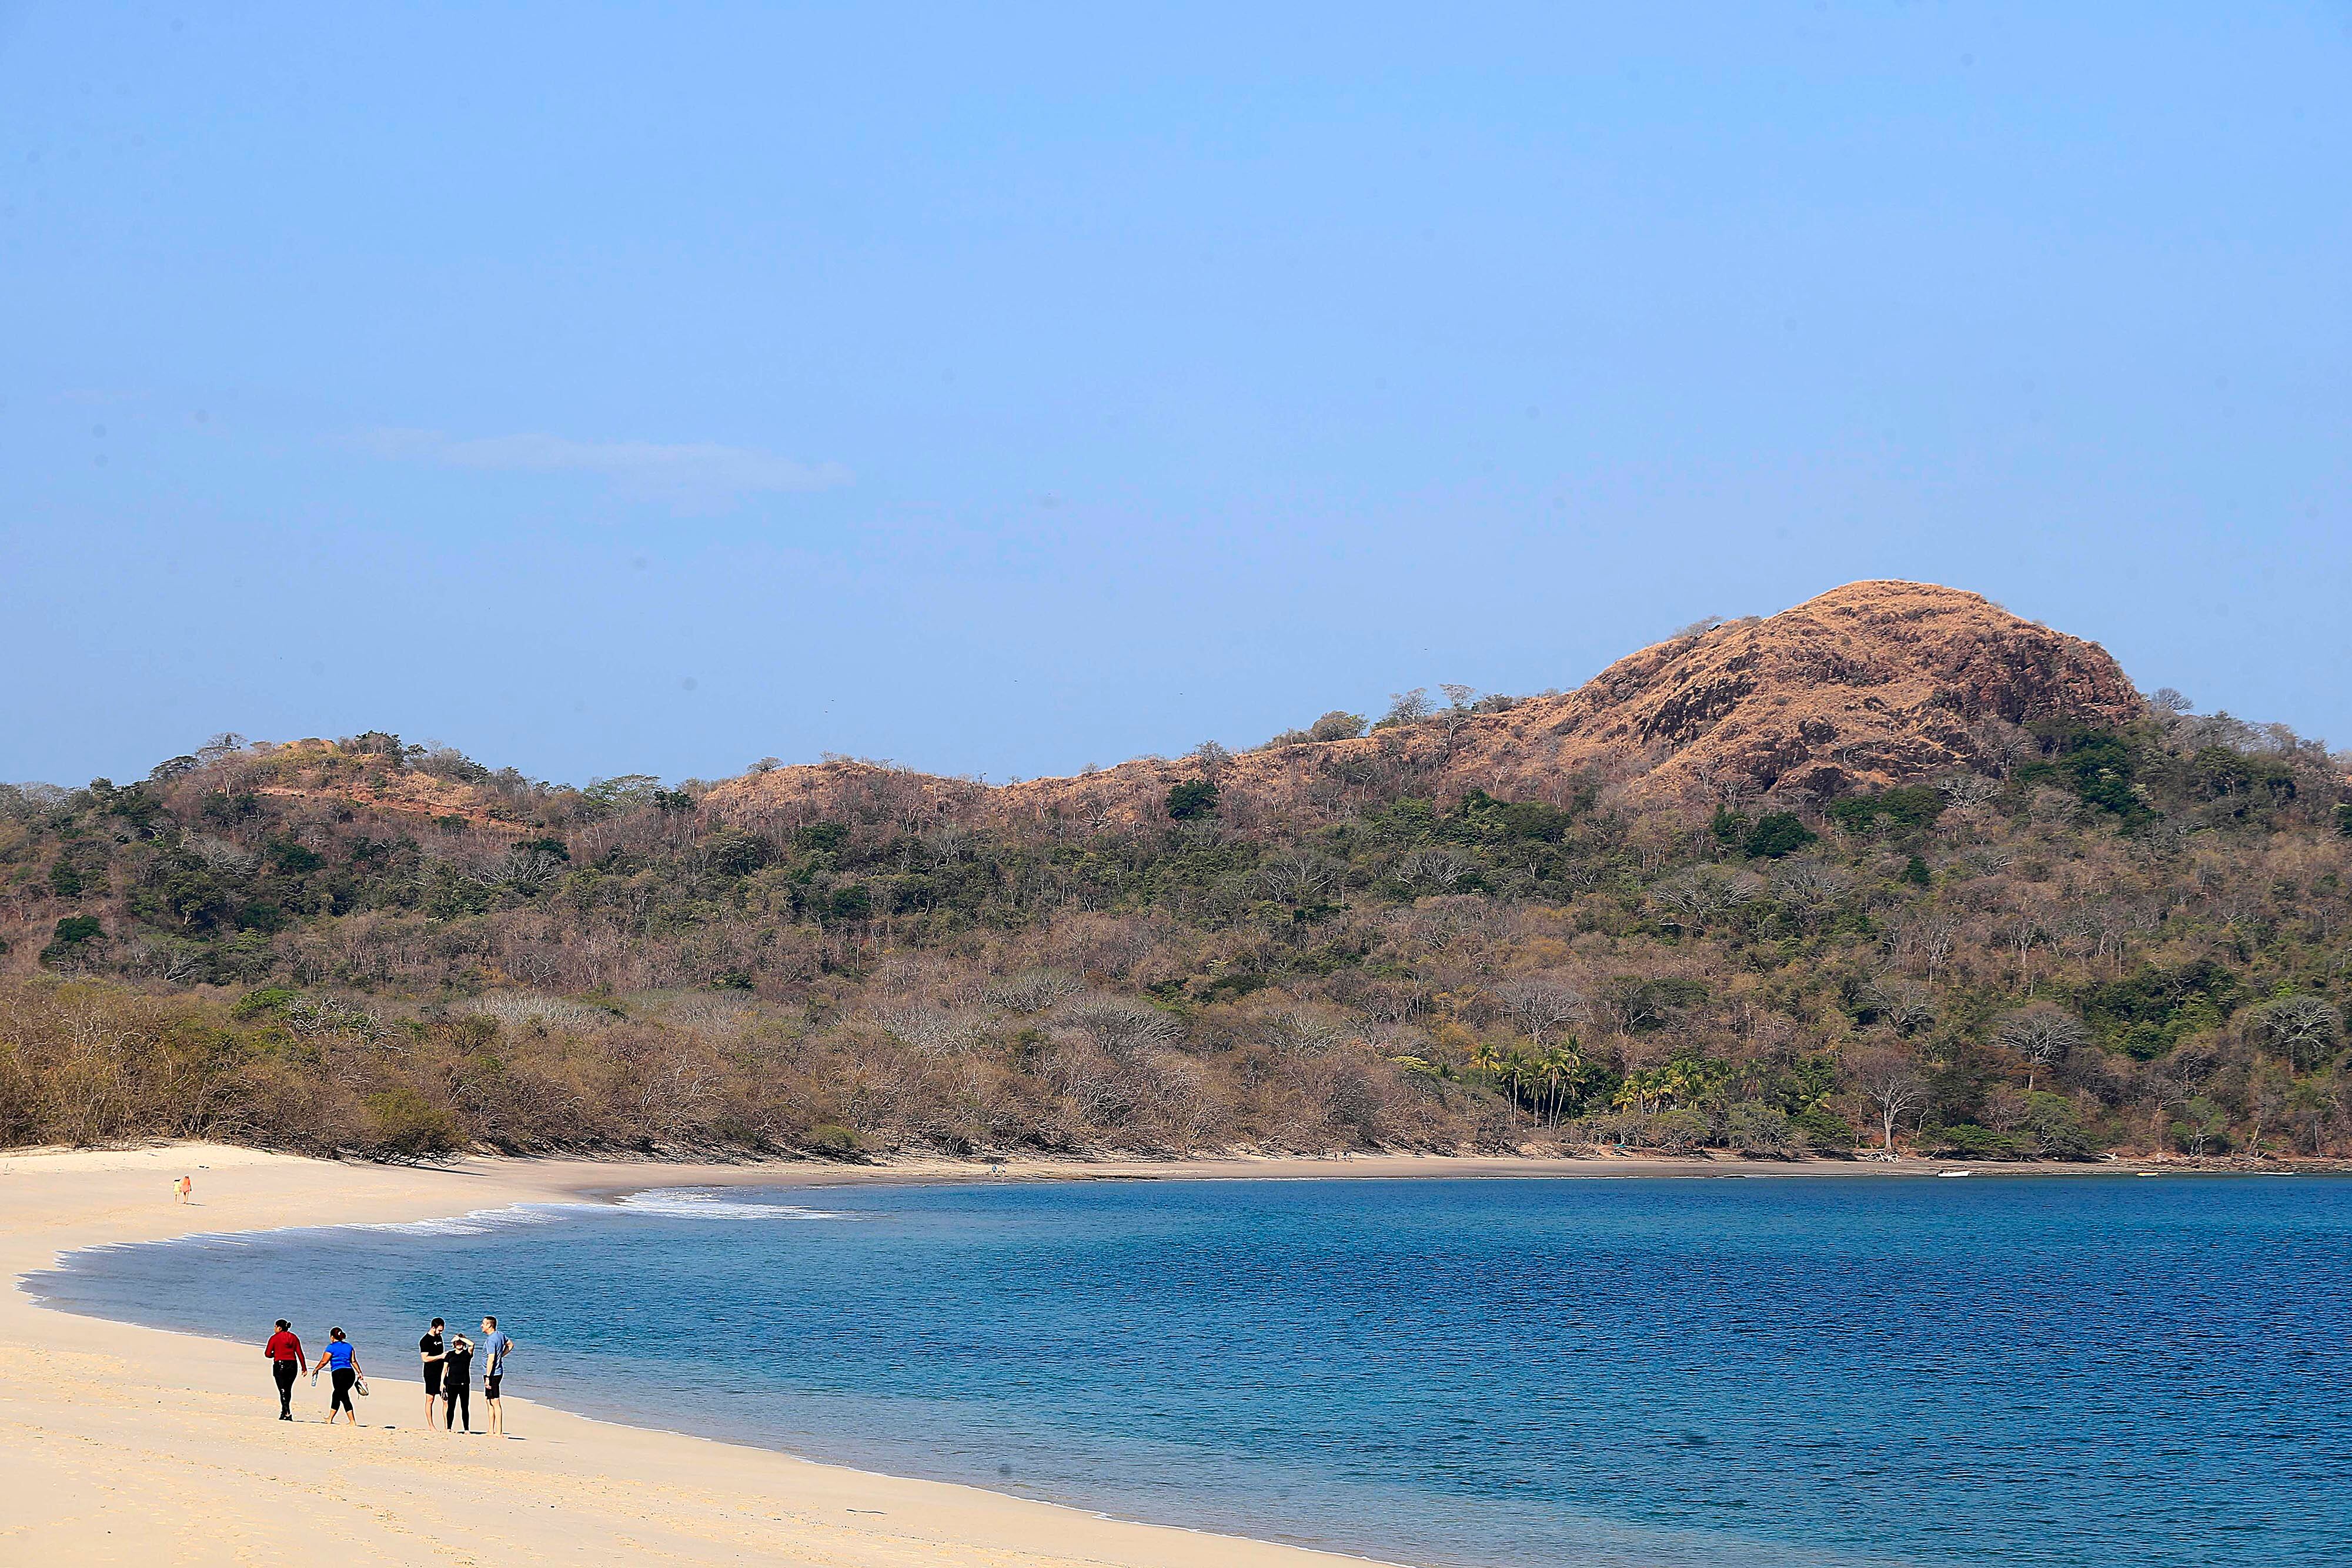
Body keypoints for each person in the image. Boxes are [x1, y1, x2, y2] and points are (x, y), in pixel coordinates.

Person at [310, 1328, 365, 1424]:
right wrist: (360, 1373)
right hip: (350, 1374)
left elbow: (324, 1361)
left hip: (339, 1373)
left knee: (340, 1395)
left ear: (332, 1337)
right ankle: (332, 1419)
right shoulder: (349, 1347)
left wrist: (316, 1369)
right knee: (340, 1394)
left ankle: (350, 1421)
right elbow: (353, 1361)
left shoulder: (331, 1347)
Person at [479, 1316, 516, 1437]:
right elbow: (510, 1345)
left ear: (490, 1325)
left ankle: (499, 1432)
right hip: (493, 1373)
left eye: (483, 1323)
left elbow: (491, 1359)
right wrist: (502, 1355)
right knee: (488, 1400)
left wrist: (488, 1377)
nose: (481, 1326)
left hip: (493, 1374)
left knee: (495, 1401)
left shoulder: (492, 1339)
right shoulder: (500, 1335)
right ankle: (491, 1430)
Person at [263, 1319, 304, 1420]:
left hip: (280, 1365)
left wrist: (275, 1354)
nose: (274, 1329)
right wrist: (304, 1367)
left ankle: (287, 1413)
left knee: (282, 1389)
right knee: (288, 1389)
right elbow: (299, 1353)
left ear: (279, 1328)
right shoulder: (294, 1337)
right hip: (293, 1365)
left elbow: (268, 1354)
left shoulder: (274, 1338)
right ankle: (284, 1412)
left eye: (275, 1327)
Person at [439, 1332, 474, 1433]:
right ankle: (449, 1428)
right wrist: (442, 1383)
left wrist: (461, 1338)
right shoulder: (450, 1354)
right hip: (451, 1383)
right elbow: (445, 1369)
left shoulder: (467, 1354)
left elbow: (472, 1344)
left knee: (465, 1407)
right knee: (451, 1407)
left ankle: (466, 1429)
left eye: (461, 1342)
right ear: (454, 1344)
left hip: (464, 1384)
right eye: (457, 1342)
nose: (459, 1343)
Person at [418, 1318, 447, 1430]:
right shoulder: (425, 1340)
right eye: (439, 1330)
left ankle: (447, 1427)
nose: (440, 1333)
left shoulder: (439, 1337)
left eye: (442, 1331)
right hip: (430, 1373)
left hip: (442, 1372)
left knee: (446, 1398)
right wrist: (440, 1357)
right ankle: (431, 1426)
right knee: (430, 1399)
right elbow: (425, 1358)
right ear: (433, 1328)